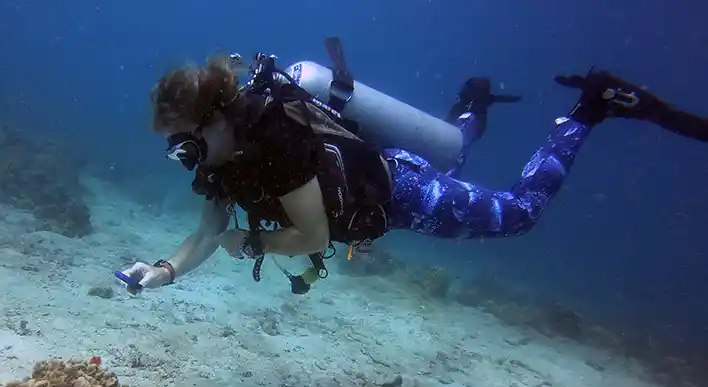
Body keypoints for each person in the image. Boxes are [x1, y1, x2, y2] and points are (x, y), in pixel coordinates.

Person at [119, 51, 708, 295]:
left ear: (219, 118)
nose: (185, 157)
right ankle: (473, 104)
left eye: (187, 144)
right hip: (389, 174)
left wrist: (249, 240)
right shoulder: (223, 159)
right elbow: (203, 233)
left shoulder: (278, 141)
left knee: (518, 214)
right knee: (451, 152)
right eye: (176, 149)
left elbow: (314, 236)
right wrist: (164, 271)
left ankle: (591, 108)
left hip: (403, 193)